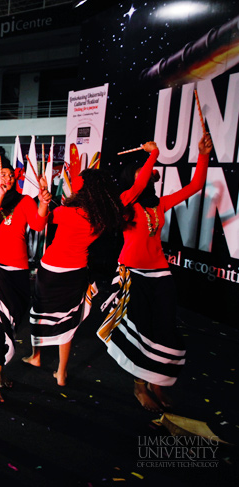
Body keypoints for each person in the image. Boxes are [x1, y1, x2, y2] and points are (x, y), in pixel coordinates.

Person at [98, 135, 211, 412]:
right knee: (143, 329)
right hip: (133, 272)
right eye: (141, 172)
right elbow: (138, 184)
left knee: (164, 327)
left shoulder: (157, 204)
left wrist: (203, 154)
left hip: (160, 273)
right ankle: (139, 385)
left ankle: (157, 382)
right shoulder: (125, 201)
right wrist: (154, 154)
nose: (146, 175)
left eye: (147, 171)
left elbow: (195, 186)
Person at [23, 168, 124, 386]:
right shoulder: (101, 217)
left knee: (39, 312)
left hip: (52, 270)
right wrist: (45, 191)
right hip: (77, 271)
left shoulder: (68, 212)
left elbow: (40, 223)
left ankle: (36, 356)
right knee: (68, 319)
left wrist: (43, 194)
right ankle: (61, 372)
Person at [0, 164, 51, 402]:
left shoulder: (25, 201)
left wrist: (44, 202)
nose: (6, 177)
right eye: (1, 175)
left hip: (18, 268)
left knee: (12, 321)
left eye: (9, 175)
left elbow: (38, 225)